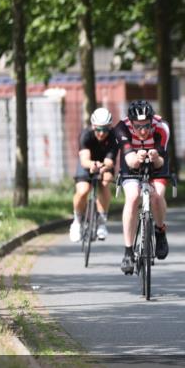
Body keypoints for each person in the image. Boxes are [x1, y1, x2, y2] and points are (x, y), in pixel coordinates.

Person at [114, 100, 171, 274]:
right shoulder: (121, 128)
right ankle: (128, 251)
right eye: (138, 127)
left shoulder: (162, 127)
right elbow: (129, 160)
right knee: (132, 197)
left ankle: (160, 231)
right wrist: (137, 157)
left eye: (146, 125)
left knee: (157, 196)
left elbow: (161, 160)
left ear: (152, 120)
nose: (143, 131)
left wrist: (155, 156)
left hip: (157, 165)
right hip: (131, 164)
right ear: (131, 123)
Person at [70, 107, 118, 243]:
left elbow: (110, 161)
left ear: (110, 127)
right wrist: (92, 165)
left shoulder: (114, 137)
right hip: (88, 164)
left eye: (105, 129)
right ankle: (77, 221)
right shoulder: (85, 134)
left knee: (105, 182)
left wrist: (103, 168)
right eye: (98, 129)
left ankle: (102, 222)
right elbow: (84, 160)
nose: (101, 133)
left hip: (105, 164)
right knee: (83, 190)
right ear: (93, 126)